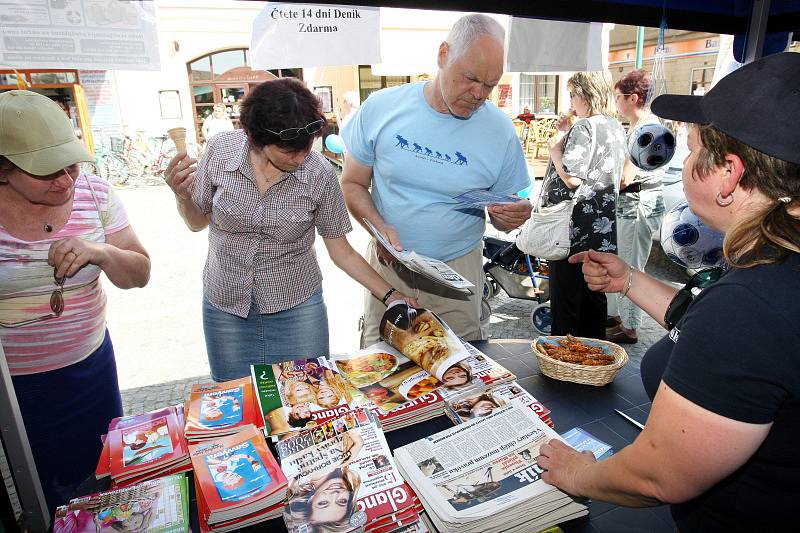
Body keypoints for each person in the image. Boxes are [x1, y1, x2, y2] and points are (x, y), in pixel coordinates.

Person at [538, 52, 800, 532]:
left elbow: (660, 476)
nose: (686, 160)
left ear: (729, 177)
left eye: (695, 150)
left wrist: (580, 474)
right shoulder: (774, 273)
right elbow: (729, 342)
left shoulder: (752, 304)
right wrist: (631, 281)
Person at [164, 78, 415, 382]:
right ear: (256, 138)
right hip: (225, 305)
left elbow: (342, 251)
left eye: (306, 148)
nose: (300, 158)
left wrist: (390, 295)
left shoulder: (319, 173)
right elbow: (196, 222)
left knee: (308, 397)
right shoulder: (220, 151)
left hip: (296, 307)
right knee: (239, 400)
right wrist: (181, 195)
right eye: (288, 151)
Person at [341, 14, 532, 347]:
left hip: (457, 276)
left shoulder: (500, 131)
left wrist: (509, 216)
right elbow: (352, 183)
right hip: (389, 271)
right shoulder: (382, 108)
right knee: (383, 369)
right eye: (470, 78)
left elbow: (505, 210)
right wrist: (377, 226)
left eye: (490, 85)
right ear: (443, 54)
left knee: (459, 374)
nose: (478, 94)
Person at [0, 90, 151, 512]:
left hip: (90, 366)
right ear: (4, 170)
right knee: (44, 490)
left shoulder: (95, 194)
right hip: (16, 386)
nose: (65, 181)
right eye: (46, 172)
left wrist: (101, 252)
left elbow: (140, 273)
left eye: (70, 164)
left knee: (106, 477)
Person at [541, 71, 626, 339]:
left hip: (572, 232)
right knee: (593, 302)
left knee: (565, 305)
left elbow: (572, 178)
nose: (571, 101)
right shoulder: (614, 126)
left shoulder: (584, 127)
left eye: (572, 95)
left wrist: (556, 149)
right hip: (601, 233)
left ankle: (562, 367)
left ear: (585, 96)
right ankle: (595, 363)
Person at [606, 69, 666, 344]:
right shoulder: (647, 125)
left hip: (637, 204)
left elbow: (624, 178)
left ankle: (629, 325)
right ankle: (623, 318)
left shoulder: (644, 130)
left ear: (632, 98)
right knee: (630, 260)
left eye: (618, 96)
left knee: (631, 264)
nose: (615, 102)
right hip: (640, 202)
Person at [285, 467, 361, 532]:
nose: (335, 494)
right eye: (342, 501)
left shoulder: (299, 476)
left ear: (310, 499)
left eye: (323, 503)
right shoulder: (347, 466)